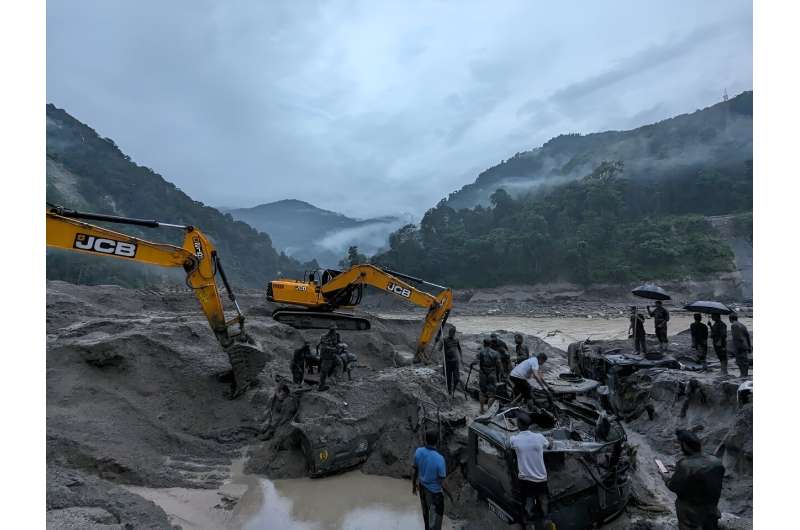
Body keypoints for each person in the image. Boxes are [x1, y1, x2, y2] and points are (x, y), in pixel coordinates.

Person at [662, 429, 724, 530]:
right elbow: (702, 473)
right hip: (711, 512)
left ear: (685, 445)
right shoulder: (716, 461)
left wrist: (665, 476)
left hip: (691, 517)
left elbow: (673, 486)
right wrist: (678, 468)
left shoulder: (685, 465)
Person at [510, 412, 551, 528]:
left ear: (518, 425)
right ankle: (546, 518)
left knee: (528, 500)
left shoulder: (515, 440)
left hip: (526, 479)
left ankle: (529, 523)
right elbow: (549, 445)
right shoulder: (539, 437)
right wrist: (550, 441)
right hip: (541, 477)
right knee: (543, 498)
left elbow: (508, 444)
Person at [412, 430, 447, 530]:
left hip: (422, 489)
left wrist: (414, 486)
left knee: (427, 519)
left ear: (425, 440)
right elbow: (442, 482)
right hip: (435, 495)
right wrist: (450, 494)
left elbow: (415, 470)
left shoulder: (418, 451)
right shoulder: (440, 459)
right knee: (436, 524)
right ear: (437, 441)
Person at [471, 338, 501, 414]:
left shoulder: (481, 352)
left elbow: (475, 361)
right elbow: (499, 365)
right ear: (490, 344)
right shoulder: (495, 353)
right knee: (492, 394)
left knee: (482, 392)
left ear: (484, 344)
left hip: (483, 373)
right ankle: (489, 411)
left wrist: (471, 364)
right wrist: (499, 374)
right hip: (492, 374)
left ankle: (481, 409)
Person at [438, 326, 463, 396]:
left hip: (455, 362)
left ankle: (454, 390)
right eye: (450, 332)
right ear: (449, 332)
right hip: (447, 362)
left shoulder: (456, 340)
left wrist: (461, 357)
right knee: (448, 378)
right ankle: (449, 392)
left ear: (454, 333)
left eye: (452, 332)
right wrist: (441, 342)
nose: (451, 334)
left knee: (456, 378)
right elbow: (439, 349)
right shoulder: (444, 339)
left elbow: (459, 349)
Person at [317, 324, 340, 390]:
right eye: (333, 329)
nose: (334, 331)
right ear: (330, 329)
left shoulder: (336, 335)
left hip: (333, 355)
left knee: (339, 364)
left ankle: (332, 376)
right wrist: (334, 349)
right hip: (326, 356)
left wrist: (339, 346)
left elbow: (337, 343)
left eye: (335, 329)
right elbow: (324, 347)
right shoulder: (324, 336)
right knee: (324, 371)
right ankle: (321, 386)